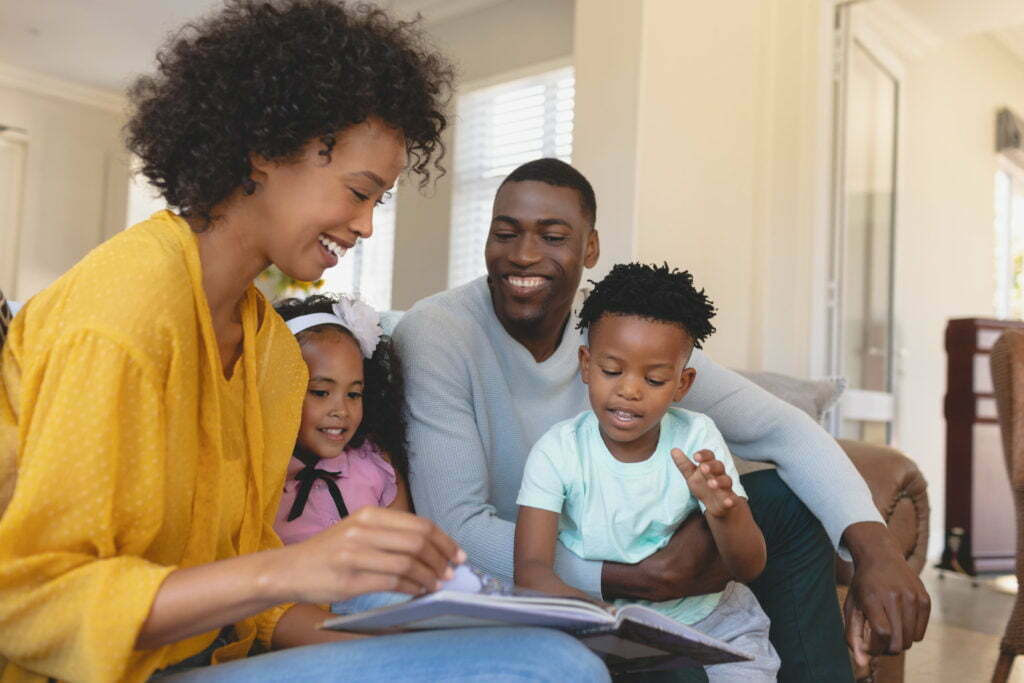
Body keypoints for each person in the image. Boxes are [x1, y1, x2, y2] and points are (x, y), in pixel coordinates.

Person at [0, 4, 609, 681]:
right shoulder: (121, 316)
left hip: (214, 653)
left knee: (545, 654)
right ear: (265, 148)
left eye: (377, 202)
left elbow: (254, 612)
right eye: (358, 192)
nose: (366, 226)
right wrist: (286, 566)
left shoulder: (268, 347)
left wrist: (420, 650)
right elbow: (27, 603)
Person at [392, 157, 930, 682]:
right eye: (505, 233)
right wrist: (631, 578)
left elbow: (784, 430)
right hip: (544, 561)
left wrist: (875, 550)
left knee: (786, 507)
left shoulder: (623, 332)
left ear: (590, 247)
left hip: (643, 537)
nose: (524, 255)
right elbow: (455, 525)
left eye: (553, 236)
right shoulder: (438, 333)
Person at [514, 263, 780, 681]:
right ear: (586, 365)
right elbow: (530, 572)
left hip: (714, 624)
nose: (630, 390)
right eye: (612, 371)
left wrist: (724, 512)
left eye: (654, 379)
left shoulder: (697, 437)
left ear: (682, 384)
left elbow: (749, 566)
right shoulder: (558, 452)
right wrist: (603, 618)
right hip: (606, 629)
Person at [273, 293, 412, 548]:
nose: (341, 410)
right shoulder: (262, 477)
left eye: (353, 394)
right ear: (277, 389)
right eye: (320, 392)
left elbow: (403, 551)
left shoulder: (376, 463)